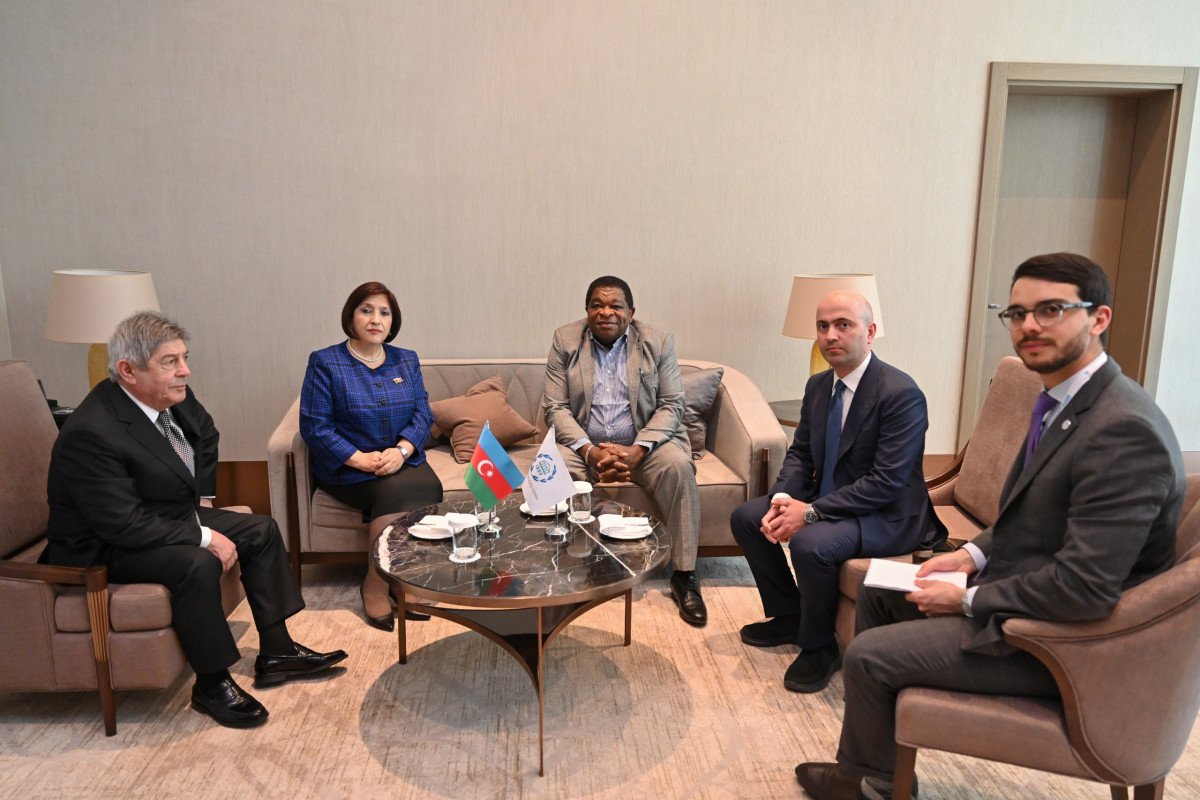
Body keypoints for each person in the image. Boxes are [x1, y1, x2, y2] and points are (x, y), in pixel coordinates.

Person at [795, 253, 1186, 800]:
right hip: (1028, 592)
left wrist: (968, 600)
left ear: (1099, 318)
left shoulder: (1122, 430)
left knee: (867, 654)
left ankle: (861, 782)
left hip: (1066, 643)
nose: (1029, 326)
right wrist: (971, 555)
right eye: (1017, 313)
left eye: (1051, 310)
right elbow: (1034, 516)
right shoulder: (1063, 402)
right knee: (880, 590)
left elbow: (1085, 588)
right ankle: (874, 771)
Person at [44, 311, 347, 730]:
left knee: (261, 529)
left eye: (184, 358)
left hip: (160, 517)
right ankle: (212, 682)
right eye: (170, 362)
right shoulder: (91, 432)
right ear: (128, 371)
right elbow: (122, 525)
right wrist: (203, 535)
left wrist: (202, 498)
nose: (184, 370)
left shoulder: (169, 396)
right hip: (103, 545)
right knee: (197, 562)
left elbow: (205, 433)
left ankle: (278, 652)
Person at [730, 291, 945, 694]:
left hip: (885, 514)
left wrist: (810, 512)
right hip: (829, 498)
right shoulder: (818, 386)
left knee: (811, 543)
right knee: (746, 517)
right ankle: (790, 616)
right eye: (823, 326)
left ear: (870, 331)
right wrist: (782, 501)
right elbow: (801, 453)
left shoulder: (900, 393)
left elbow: (886, 482)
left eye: (843, 324)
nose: (831, 335)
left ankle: (820, 646)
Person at [543, 276, 707, 626]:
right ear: (586, 311)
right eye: (597, 305)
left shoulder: (657, 341)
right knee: (556, 467)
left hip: (645, 443)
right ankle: (570, 567)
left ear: (631, 313)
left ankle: (685, 575)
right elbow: (555, 408)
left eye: (615, 306)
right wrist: (589, 451)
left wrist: (638, 449)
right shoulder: (565, 340)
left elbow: (672, 404)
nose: (606, 312)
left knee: (678, 466)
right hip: (585, 443)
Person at [300, 281, 444, 631]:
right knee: (395, 494)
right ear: (351, 316)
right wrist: (358, 458)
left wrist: (402, 450)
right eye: (366, 310)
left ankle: (400, 577)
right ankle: (376, 584)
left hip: (400, 459)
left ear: (393, 321)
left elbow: (423, 413)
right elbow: (315, 425)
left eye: (384, 312)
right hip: (348, 468)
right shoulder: (325, 362)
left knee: (429, 487)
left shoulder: (406, 359)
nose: (375, 319)